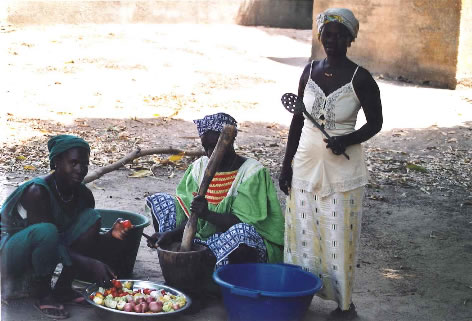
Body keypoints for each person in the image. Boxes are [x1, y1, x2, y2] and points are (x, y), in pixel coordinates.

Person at [279, 8, 383, 320]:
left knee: (338, 236)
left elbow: (376, 123)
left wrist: (347, 139)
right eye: (328, 34)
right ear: (320, 36)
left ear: (351, 39)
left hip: (342, 173)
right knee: (303, 234)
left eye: (340, 35)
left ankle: (344, 306)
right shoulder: (309, 71)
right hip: (305, 166)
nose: (333, 40)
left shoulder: (360, 78)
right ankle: (302, 294)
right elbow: (298, 121)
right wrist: (286, 165)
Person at [0, 135, 131, 319]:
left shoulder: (84, 196)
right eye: (74, 163)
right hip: (9, 253)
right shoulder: (37, 192)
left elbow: (84, 240)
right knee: (47, 231)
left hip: (46, 243)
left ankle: (63, 288)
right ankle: (42, 292)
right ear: (56, 163)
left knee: (92, 218)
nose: (81, 169)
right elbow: (49, 241)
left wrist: (111, 235)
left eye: (84, 163)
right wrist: (89, 264)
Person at [145, 112, 284, 268]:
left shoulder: (252, 173)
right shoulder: (199, 167)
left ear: (230, 141)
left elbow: (244, 223)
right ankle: (180, 265)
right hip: (202, 238)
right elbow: (188, 216)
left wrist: (207, 214)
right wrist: (170, 235)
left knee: (242, 233)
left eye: (215, 147)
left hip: (235, 241)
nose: (210, 153)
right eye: (206, 147)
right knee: (161, 201)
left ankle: (223, 281)